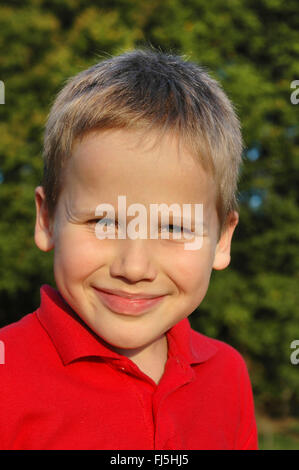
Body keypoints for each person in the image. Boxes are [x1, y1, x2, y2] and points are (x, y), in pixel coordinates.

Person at [0, 48, 258, 450]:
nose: (134, 268)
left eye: (173, 227)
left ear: (222, 239)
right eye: (104, 222)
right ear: (46, 218)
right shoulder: (6, 377)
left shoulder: (227, 375)